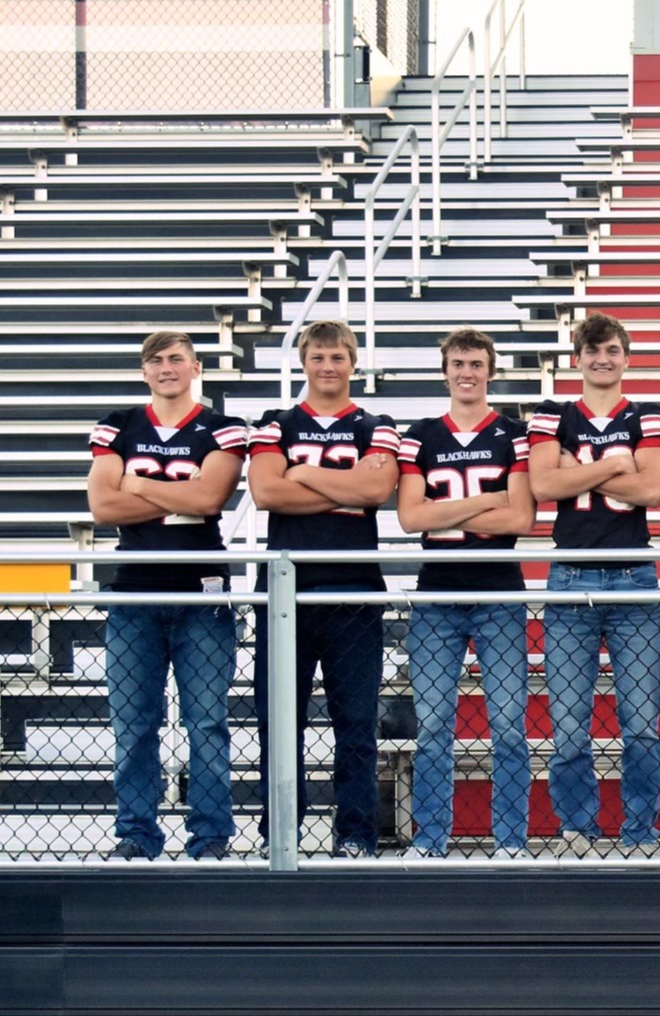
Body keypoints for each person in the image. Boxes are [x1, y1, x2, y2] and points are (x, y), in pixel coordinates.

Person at [86, 330, 247, 860]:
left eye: (176, 358)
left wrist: (136, 485)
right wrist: (174, 495)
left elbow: (208, 497)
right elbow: (103, 508)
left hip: (201, 592)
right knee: (133, 725)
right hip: (134, 593)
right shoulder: (119, 423)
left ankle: (211, 837)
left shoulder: (221, 428)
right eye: (155, 360)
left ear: (196, 366)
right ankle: (136, 833)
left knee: (207, 723)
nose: (166, 367)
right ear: (144, 371)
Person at [248, 320, 400, 857]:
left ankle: (355, 833)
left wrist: (302, 473)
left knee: (356, 723)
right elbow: (266, 492)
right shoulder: (275, 422)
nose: (327, 366)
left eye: (337, 357)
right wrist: (343, 486)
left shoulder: (376, 424)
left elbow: (376, 491)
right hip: (285, 594)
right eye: (317, 357)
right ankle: (280, 831)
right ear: (303, 362)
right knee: (277, 720)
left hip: (354, 593)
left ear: (353, 362)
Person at [527, 314, 660, 855]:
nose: (602, 359)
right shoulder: (551, 414)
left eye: (611, 350)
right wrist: (617, 465)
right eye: (592, 350)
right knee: (567, 725)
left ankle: (639, 830)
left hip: (635, 575)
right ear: (576, 359)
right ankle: (578, 826)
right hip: (570, 575)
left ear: (626, 357)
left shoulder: (648, 415)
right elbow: (543, 484)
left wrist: (577, 468)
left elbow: (654, 490)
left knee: (641, 725)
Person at [394, 327, 535, 858]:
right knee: (433, 726)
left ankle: (511, 840)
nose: (467, 372)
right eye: (458, 363)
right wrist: (487, 499)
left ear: (491, 370)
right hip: (438, 594)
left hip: (500, 593)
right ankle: (431, 838)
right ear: (445, 370)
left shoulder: (513, 433)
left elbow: (520, 517)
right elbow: (411, 517)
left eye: (476, 363)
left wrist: (445, 509)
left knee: (509, 726)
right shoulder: (422, 433)